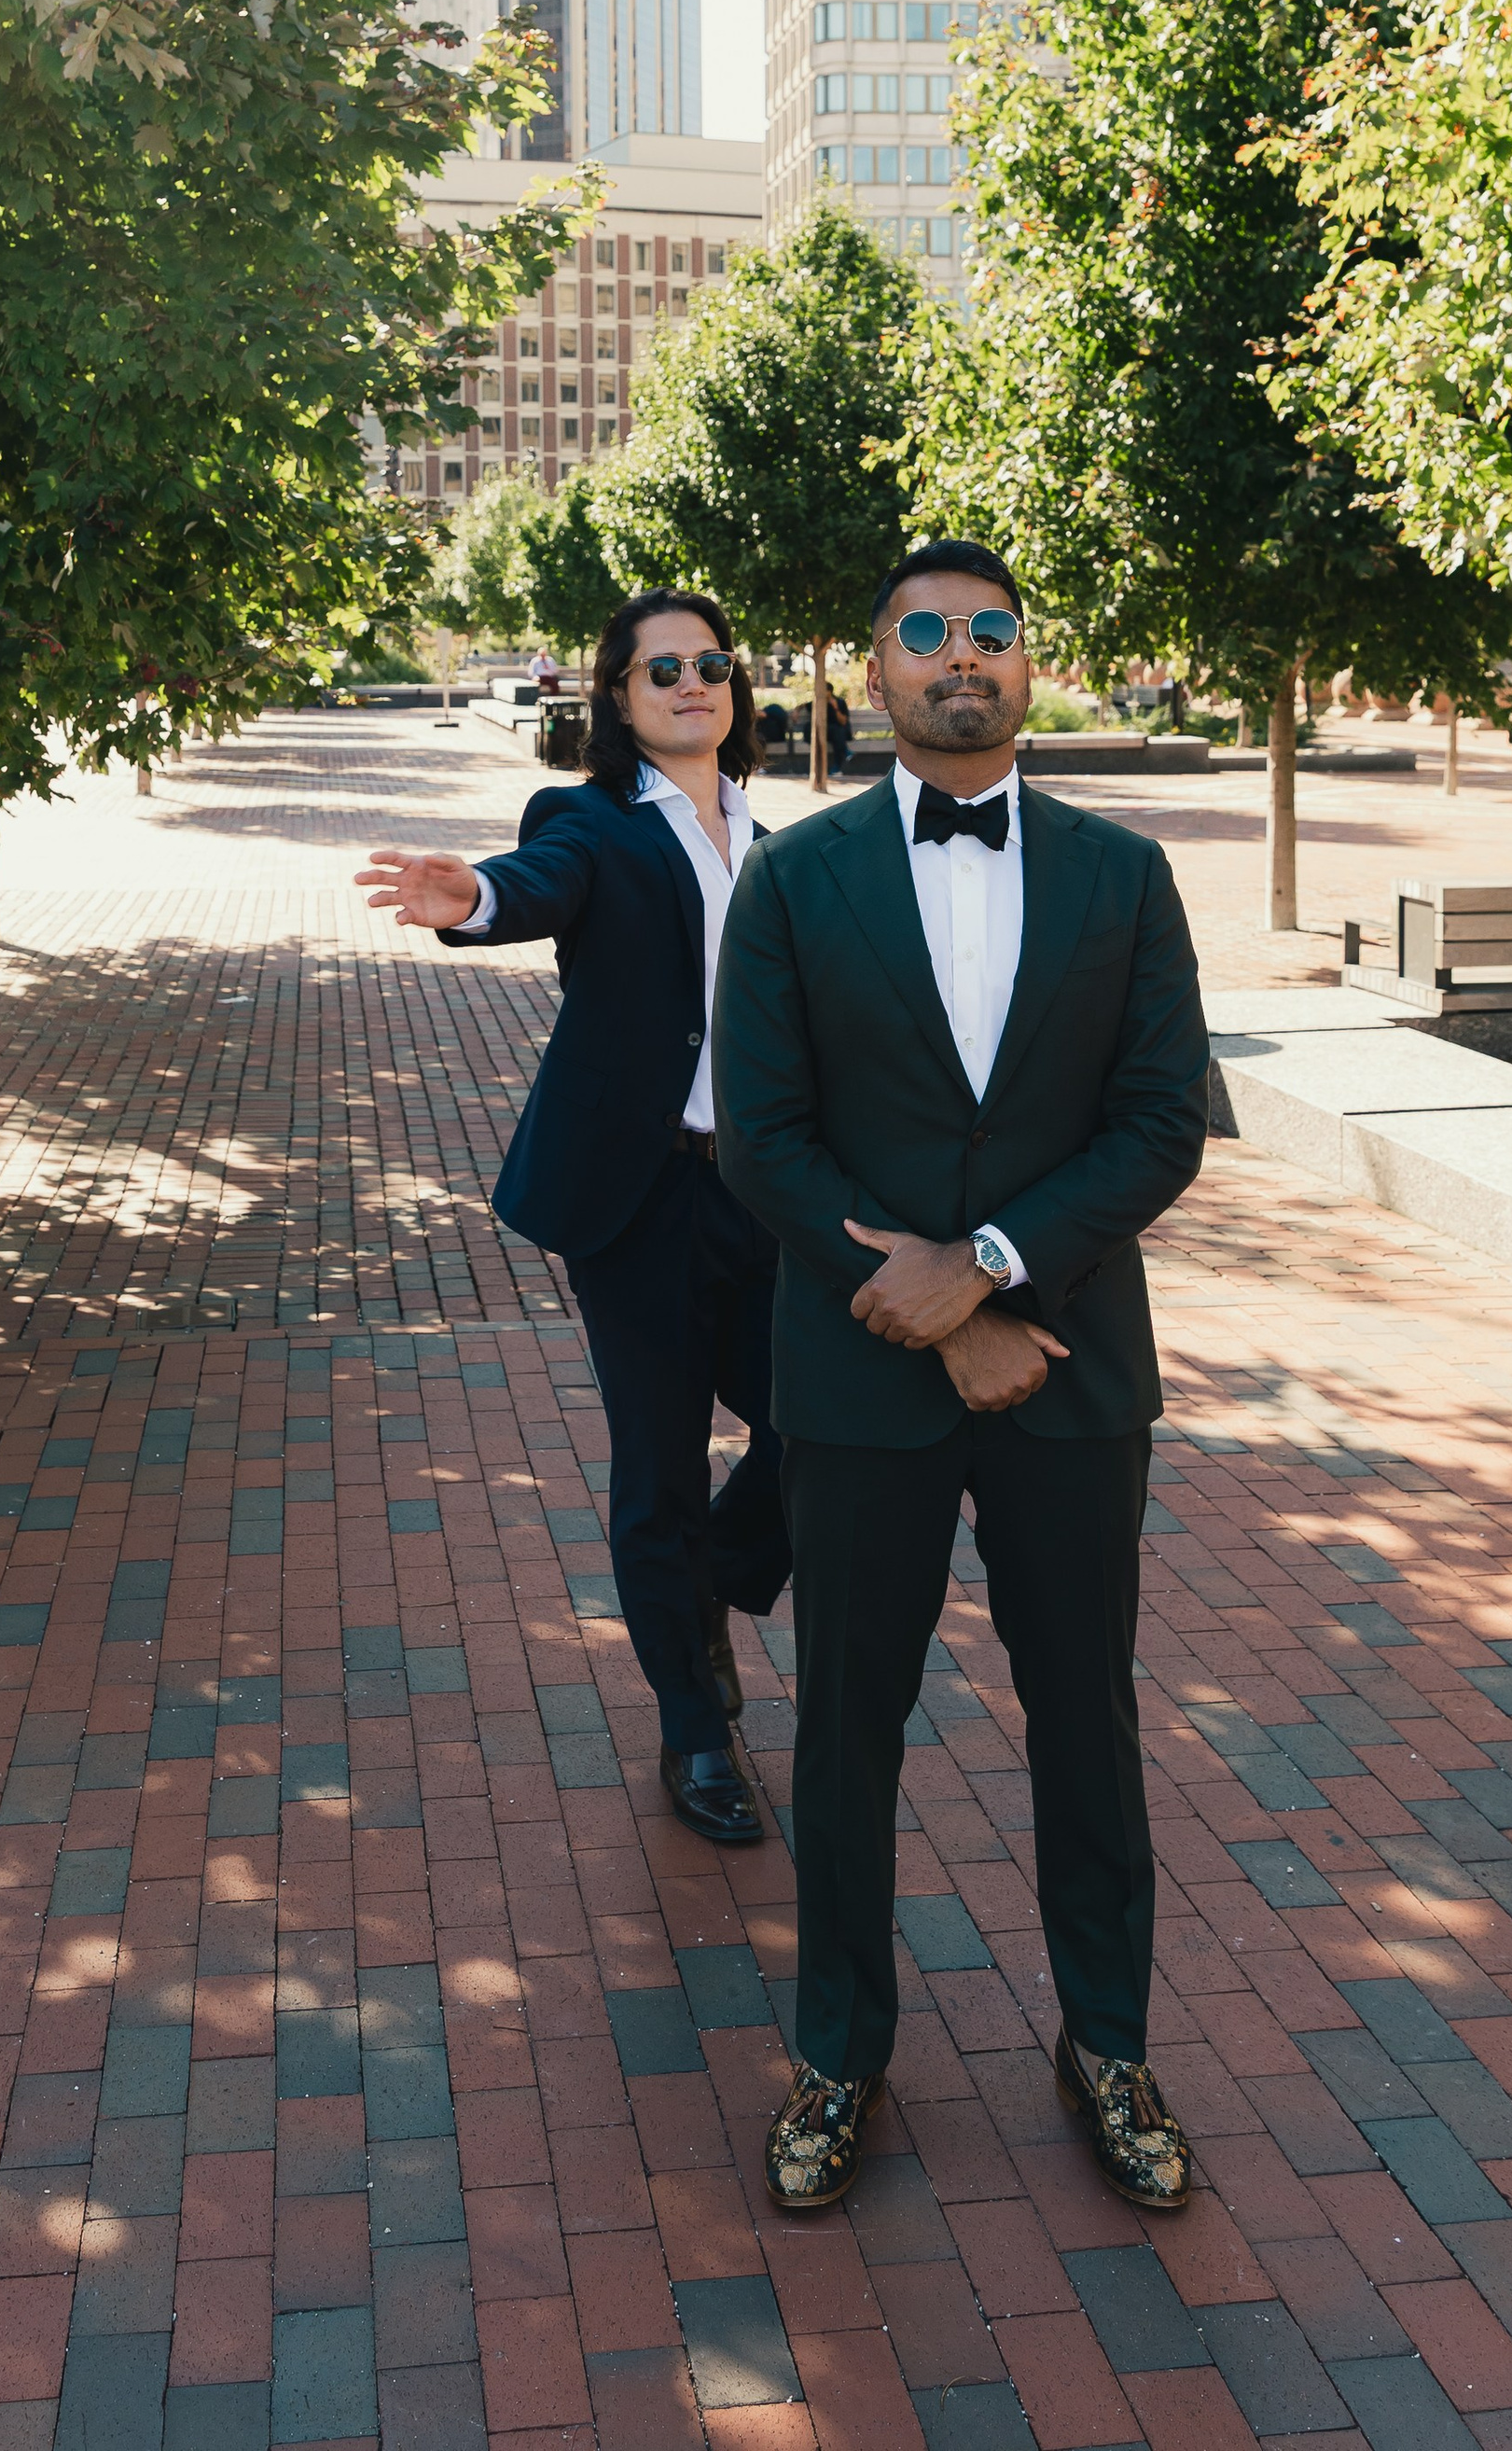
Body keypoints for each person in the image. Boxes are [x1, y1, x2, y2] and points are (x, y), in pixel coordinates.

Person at [713, 539, 1209, 2215]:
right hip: (856, 1381)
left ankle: (1109, 2042)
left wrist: (992, 1269)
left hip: (1070, 1365)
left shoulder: (1125, 876)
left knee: (1088, 1712)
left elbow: (1158, 1124)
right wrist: (918, 1299)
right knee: (851, 1726)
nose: (959, 658)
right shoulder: (795, 879)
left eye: (991, 632)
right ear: (873, 672)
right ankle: (840, 2055)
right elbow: (762, 1140)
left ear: (1028, 661)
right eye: (924, 634)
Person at [357, 591, 786, 1848]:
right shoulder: (591, 819)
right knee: (655, 1466)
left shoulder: (774, 837)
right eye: (663, 670)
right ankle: (695, 1732)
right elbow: (542, 881)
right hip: (640, 1197)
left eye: (711, 663)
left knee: (823, 1416)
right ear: (619, 696)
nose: (692, 682)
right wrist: (474, 897)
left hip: (762, 1194)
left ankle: (711, 1580)